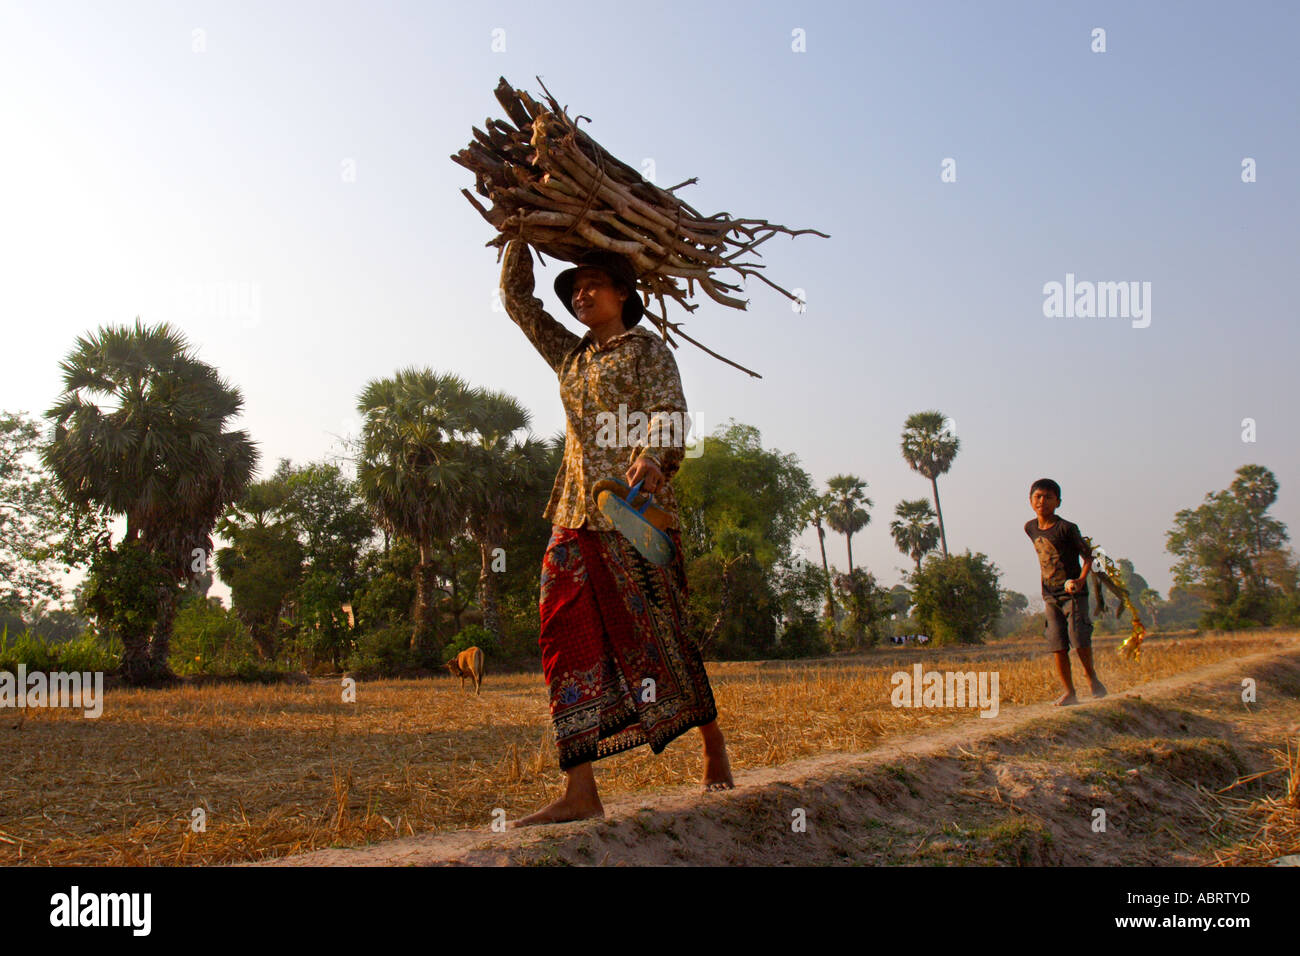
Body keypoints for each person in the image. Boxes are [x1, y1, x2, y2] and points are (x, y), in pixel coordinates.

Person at [498, 239, 733, 826]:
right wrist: (516, 235)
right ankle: (581, 791)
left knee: (663, 632)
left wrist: (653, 457)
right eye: (574, 287)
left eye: (593, 284)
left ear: (623, 294)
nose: (581, 293)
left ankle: (713, 746)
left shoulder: (646, 351)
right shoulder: (570, 356)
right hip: (575, 511)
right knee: (562, 636)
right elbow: (520, 304)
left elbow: (668, 409)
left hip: (635, 510)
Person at [1025, 478, 1108, 706]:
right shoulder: (1030, 528)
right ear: (1030, 501)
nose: (1042, 501)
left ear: (1058, 502)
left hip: (1073, 594)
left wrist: (1081, 580)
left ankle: (1092, 680)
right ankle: (1069, 692)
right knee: (1057, 644)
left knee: (1079, 638)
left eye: (1048, 497)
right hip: (1050, 595)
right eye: (1038, 497)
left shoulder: (1067, 528)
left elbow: (1088, 556)